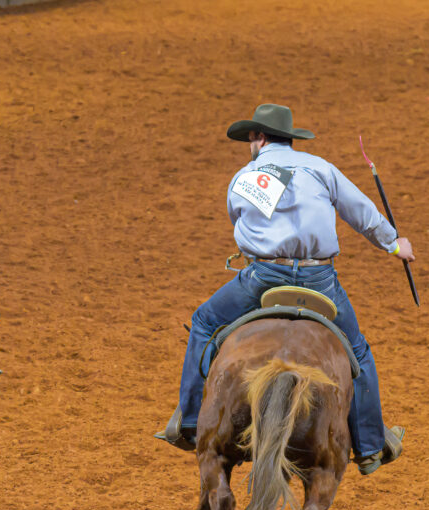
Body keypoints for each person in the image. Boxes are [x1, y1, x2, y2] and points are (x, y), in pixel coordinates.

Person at [157, 103, 415, 475]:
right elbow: (363, 213)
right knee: (357, 350)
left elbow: (239, 220)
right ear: (289, 138)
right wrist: (394, 245)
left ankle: (192, 422)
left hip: (263, 277)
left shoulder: (244, 177)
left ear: (257, 138)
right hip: (320, 280)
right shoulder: (322, 168)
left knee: (203, 323)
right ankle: (372, 444)